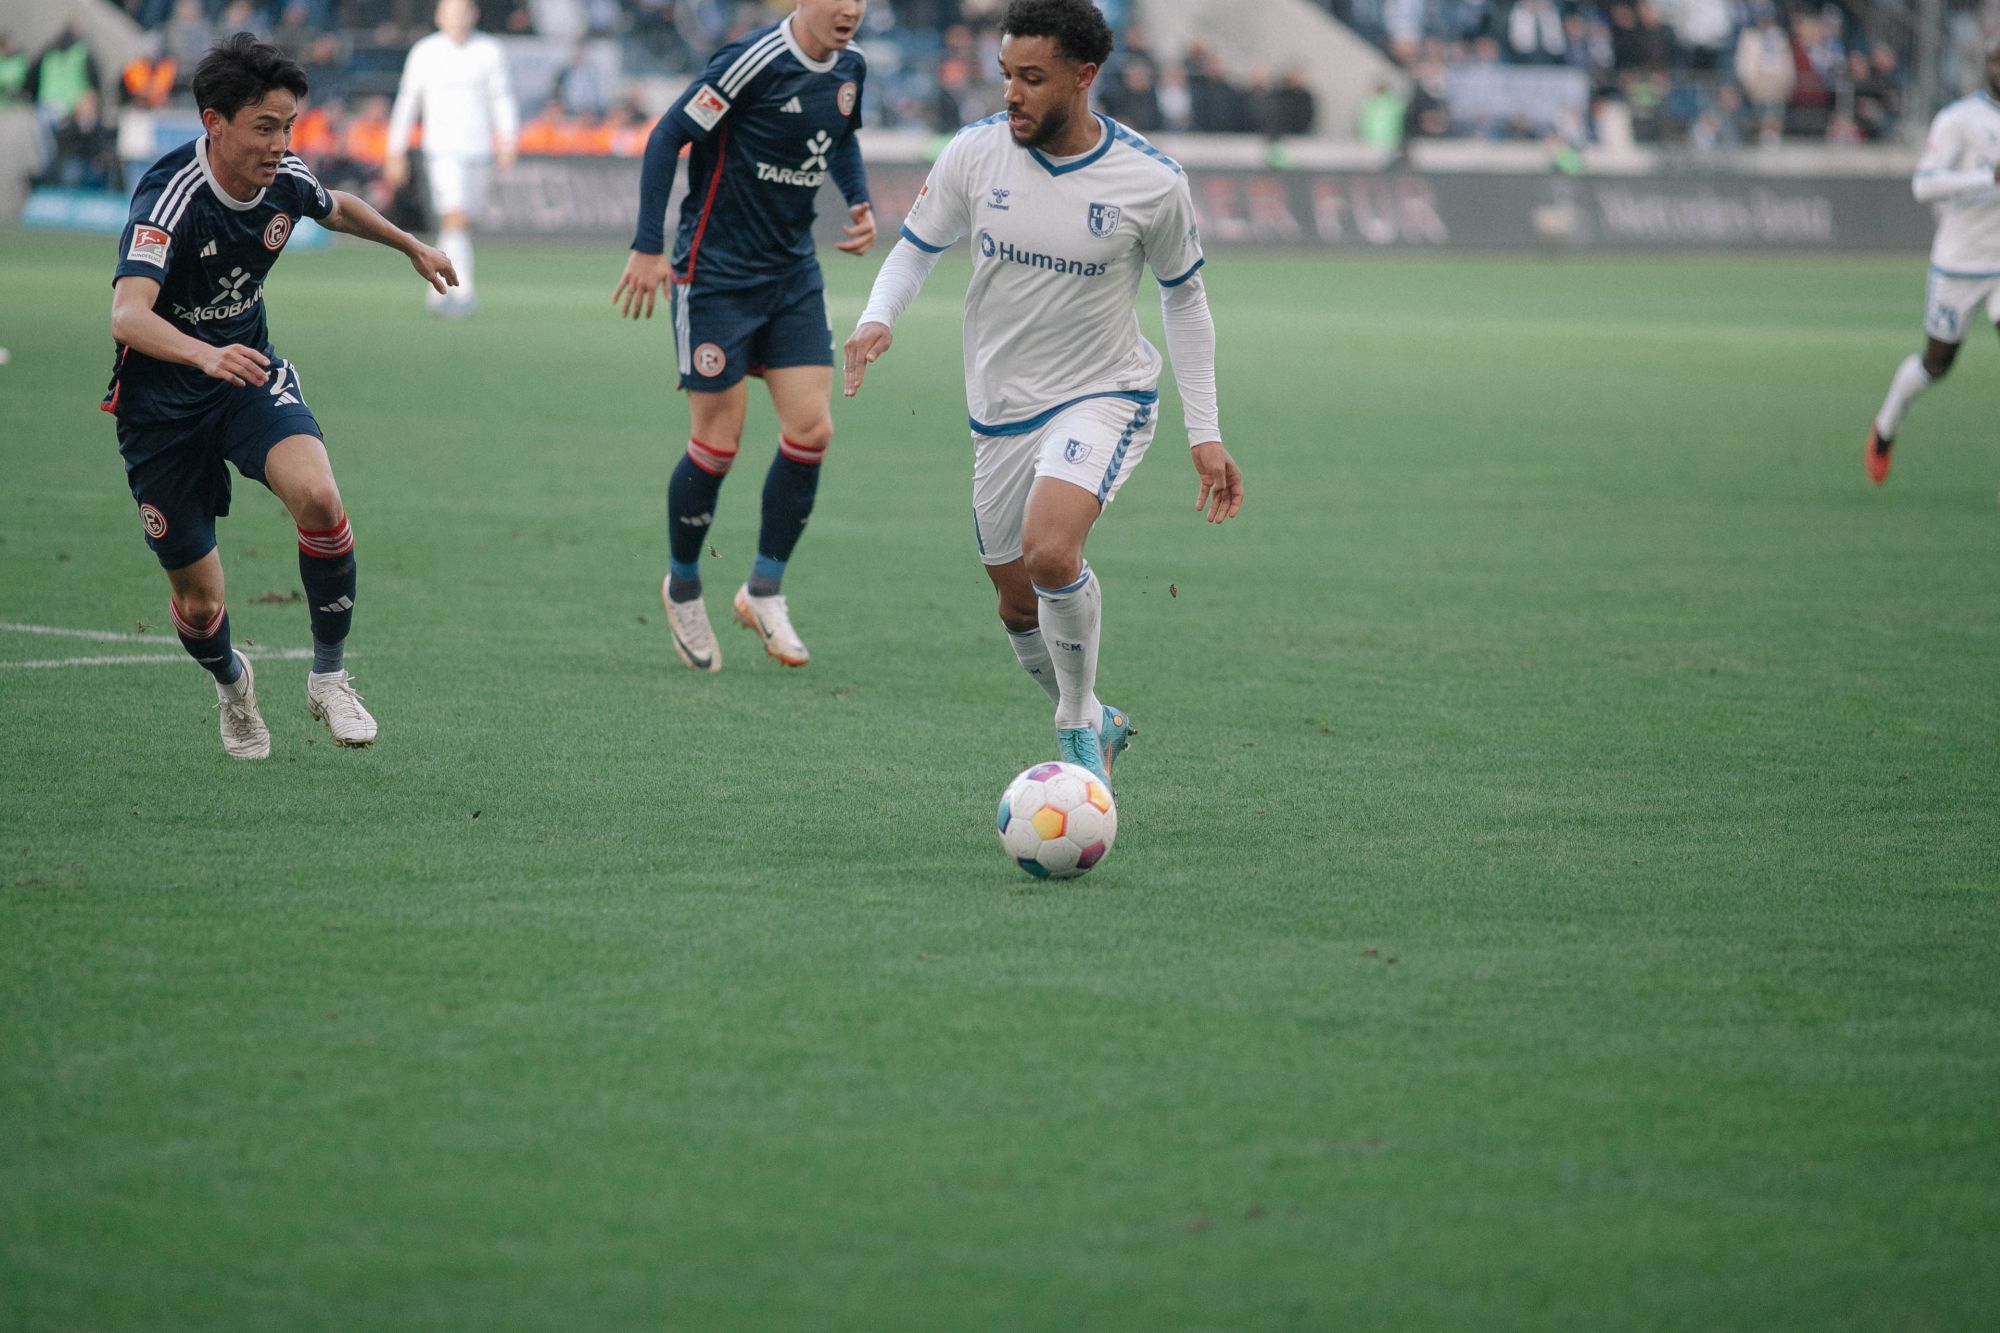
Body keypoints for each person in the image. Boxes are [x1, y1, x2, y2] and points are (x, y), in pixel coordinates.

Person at [842, 0, 1242, 788]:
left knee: (1053, 548)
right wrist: (876, 317)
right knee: (1017, 605)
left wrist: (1206, 429)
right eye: (1005, 76)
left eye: (1031, 78)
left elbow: (1184, 300)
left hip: (1106, 393)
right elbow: (916, 248)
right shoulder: (975, 155)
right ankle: (1103, 719)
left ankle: (1075, 729)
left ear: (1083, 77)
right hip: (999, 410)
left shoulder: (1152, 183)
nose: (1011, 95)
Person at [104, 33, 456, 758]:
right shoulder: (170, 197)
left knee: (321, 499)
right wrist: (206, 353)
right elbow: (127, 315)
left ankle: (329, 678)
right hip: (161, 408)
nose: (281, 144)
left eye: (289, 125)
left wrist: (411, 245)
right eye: (265, 127)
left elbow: (337, 205)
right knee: (200, 603)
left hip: (248, 379)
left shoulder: (285, 177)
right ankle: (233, 686)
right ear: (215, 123)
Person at [612, 0, 876, 672]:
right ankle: (683, 584)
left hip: (792, 275)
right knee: (717, 442)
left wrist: (860, 199)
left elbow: (840, 137)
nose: (851, 8)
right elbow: (668, 135)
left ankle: (763, 587)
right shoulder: (750, 64)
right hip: (716, 276)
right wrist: (649, 245)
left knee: (812, 429)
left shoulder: (851, 68)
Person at [1866, 40, 2000, 485]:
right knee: (1937, 364)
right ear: (1987, 66)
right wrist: (1988, 176)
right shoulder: (1960, 120)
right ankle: (1885, 428)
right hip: (1960, 263)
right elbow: (1923, 186)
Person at [383, 0, 517, 316]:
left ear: (474, 15)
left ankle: (437, 290)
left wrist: (507, 140)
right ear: (439, 16)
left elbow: (502, 97)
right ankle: (462, 289)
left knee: (463, 221)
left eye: (462, 12)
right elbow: (407, 103)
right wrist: (395, 150)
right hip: (442, 149)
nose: (456, 18)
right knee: (453, 215)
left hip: (479, 149)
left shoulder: (489, 50)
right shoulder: (425, 52)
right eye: (450, 12)